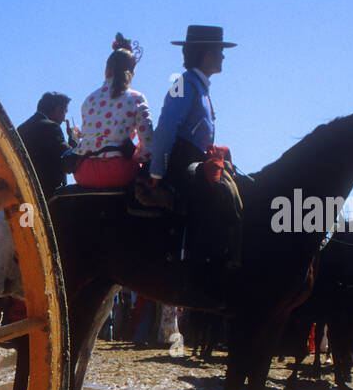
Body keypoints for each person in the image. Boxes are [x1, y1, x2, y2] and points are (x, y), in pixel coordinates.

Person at [143, 24, 243, 268]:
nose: (223, 56)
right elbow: (166, 128)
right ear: (208, 55)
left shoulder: (199, 87)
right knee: (214, 196)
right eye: (220, 51)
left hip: (195, 159)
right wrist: (156, 172)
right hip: (181, 162)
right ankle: (198, 264)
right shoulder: (183, 83)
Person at [73, 34, 153, 189]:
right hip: (119, 172)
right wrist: (136, 154)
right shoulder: (137, 98)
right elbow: (148, 149)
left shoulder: (89, 99)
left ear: (107, 69)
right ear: (132, 72)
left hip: (84, 172)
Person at [16, 91, 78, 198]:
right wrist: (74, 137)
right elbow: (71, 164)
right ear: (58, 109)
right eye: (64, 112)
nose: (64, 119)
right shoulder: (51, 127)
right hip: (48, 198)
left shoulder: (21, 129)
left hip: (25, 194)